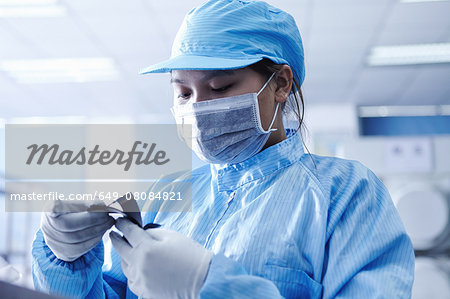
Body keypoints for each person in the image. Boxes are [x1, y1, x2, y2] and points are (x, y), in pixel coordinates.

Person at [31, 0, 415, 298]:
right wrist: (65, 259)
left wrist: (211, 286)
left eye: (220, 88)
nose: (197, 109)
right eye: (183, 92)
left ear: (281, 84)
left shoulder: (346, 194)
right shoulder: (167, 196)